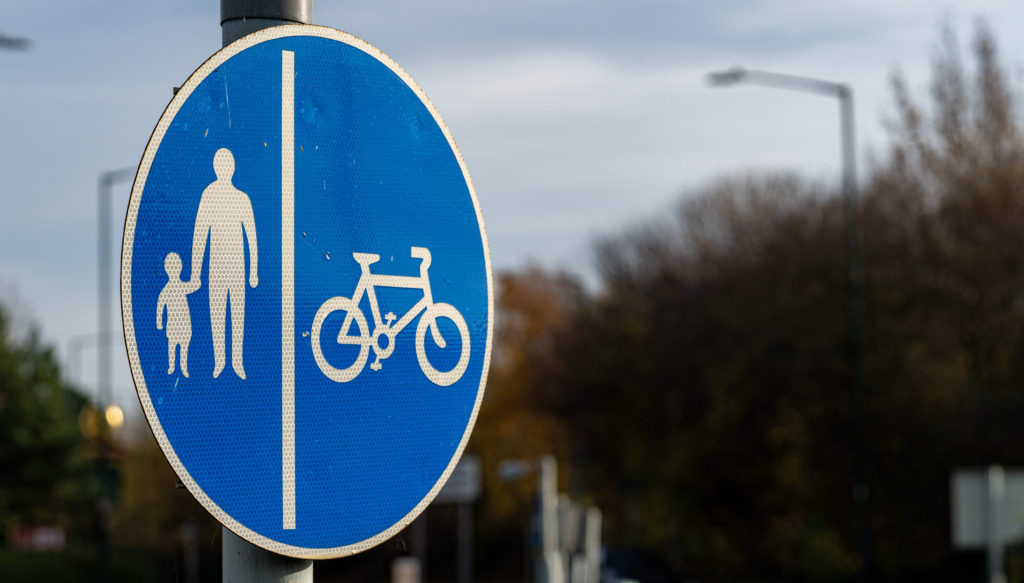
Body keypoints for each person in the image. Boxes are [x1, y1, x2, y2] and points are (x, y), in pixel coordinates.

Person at [188, 148, 258, 379]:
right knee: (217, 314)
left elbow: (251, 238)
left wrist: (253, 272)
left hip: (237, 267)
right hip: (216, 266)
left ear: (233, 169)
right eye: (221, 164)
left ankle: (237, 361)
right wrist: (195, 273)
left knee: (238, 314)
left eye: (227, 164)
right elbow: (200, 234)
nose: (224, 168)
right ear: (216, 168)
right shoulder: (208, 195)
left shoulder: (242, 199)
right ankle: (219, 362)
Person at [157, 252, 192, 377]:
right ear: (167, 269)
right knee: (172, 346)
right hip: (172, 325)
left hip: (185, 325)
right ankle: (172, 367)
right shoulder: (166, 289)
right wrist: (159, 322)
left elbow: (191, 286)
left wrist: (197, 282)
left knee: (184, 347)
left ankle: (184, 367)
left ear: (180, 267)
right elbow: (160, 305)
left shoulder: (181, 286)